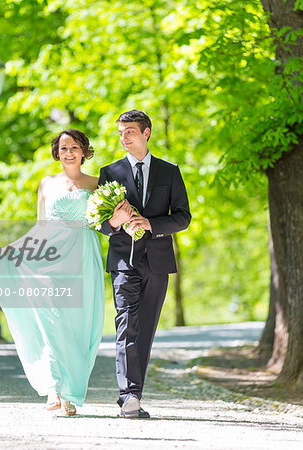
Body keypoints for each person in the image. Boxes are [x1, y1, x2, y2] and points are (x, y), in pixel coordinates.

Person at [0, 129, 104, 416]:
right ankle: (54, 387)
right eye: (63, 148)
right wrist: (13, 249)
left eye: (74, 147)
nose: (68, 153)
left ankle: (72, 393)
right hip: (49, 258)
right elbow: (40, 226)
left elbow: (106, 222)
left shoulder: (98, 183)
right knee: (51, 318)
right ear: (57, 152)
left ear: (84, 151)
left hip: (82, 255)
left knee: (78, 323)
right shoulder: (46, 184)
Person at [97, 110, 191, 418]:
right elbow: (102, 225)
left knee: (146, 329)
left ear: (146, 133)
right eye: (121, 132)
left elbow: (182, 217)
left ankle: (134, 391)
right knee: (126, 325)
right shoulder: (109, 172)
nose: (124, 137)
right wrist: (115, 220)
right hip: (124, 261)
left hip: (159, 261)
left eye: (130, 132)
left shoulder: (169, 172)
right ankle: (129, 396)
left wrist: (150, 223)